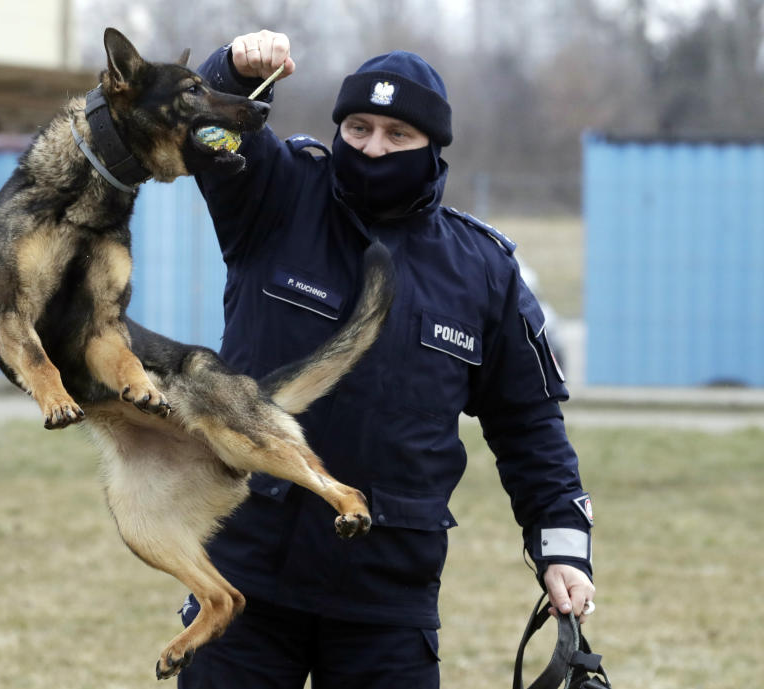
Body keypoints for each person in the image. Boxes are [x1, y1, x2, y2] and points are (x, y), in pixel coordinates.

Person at [177, 30, 595, 689]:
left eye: (397, 134)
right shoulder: (275, 198)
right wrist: (229, 69)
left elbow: (528, 424)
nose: (372, 148)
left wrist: (562, 544)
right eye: (360, 127)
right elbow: (202, 130)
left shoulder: (483, 271)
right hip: (245, 577)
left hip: (387, 602)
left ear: (433, 148)